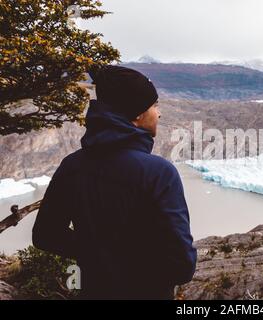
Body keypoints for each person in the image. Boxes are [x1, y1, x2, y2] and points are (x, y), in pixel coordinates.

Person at [32, 65, 197, 299]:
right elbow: (182, 266)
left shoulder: (73, 165)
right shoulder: (159, 173)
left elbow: (45, 236)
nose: (158, 114)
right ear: (138, 115)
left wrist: (96, 253)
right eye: (154, 106)